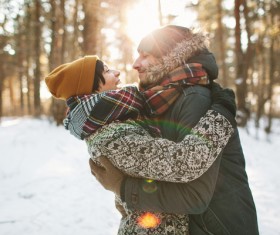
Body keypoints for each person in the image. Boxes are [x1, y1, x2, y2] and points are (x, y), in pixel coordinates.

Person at [90, 25, 259, 234]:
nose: (135, 64)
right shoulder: (161, 99)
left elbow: (194, 196)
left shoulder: (195, 98)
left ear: (171, 58)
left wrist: (123, 188)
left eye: (146, 55)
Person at [45, 55, 236, 234]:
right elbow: (185, 161)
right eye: (107, 71)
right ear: (91, 88)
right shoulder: (114, 137)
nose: (117, 72)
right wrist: (223, 111)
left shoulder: (111, 124)